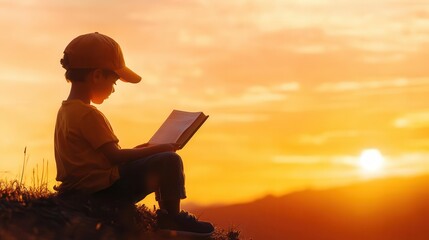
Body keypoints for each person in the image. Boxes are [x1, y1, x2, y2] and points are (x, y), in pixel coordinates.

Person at [54, 32, 214, 237]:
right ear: (96, 76)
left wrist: (142, 150)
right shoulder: (88, 114)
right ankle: (171, 218)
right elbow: (115, 157)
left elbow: (101, 158)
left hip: (82, 190)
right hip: (102, 193)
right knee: (169, 160)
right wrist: (160, 148)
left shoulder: (67, 110)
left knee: (160, 157)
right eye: (114, 82)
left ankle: (167, 215)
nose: (113, 89)